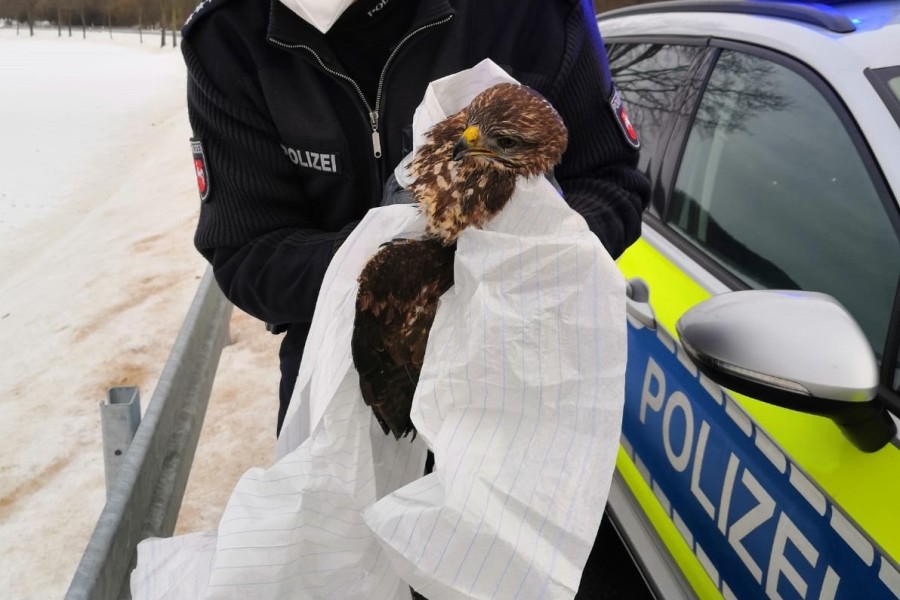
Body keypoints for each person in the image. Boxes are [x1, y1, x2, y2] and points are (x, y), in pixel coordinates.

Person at [180, 0, 650, 434]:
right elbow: (249, 253)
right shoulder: (228, 35)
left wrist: (515, 258)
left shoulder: (533, 10)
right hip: (338, 385)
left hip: (519, 377)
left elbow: (612, 186)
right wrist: (396, 268)